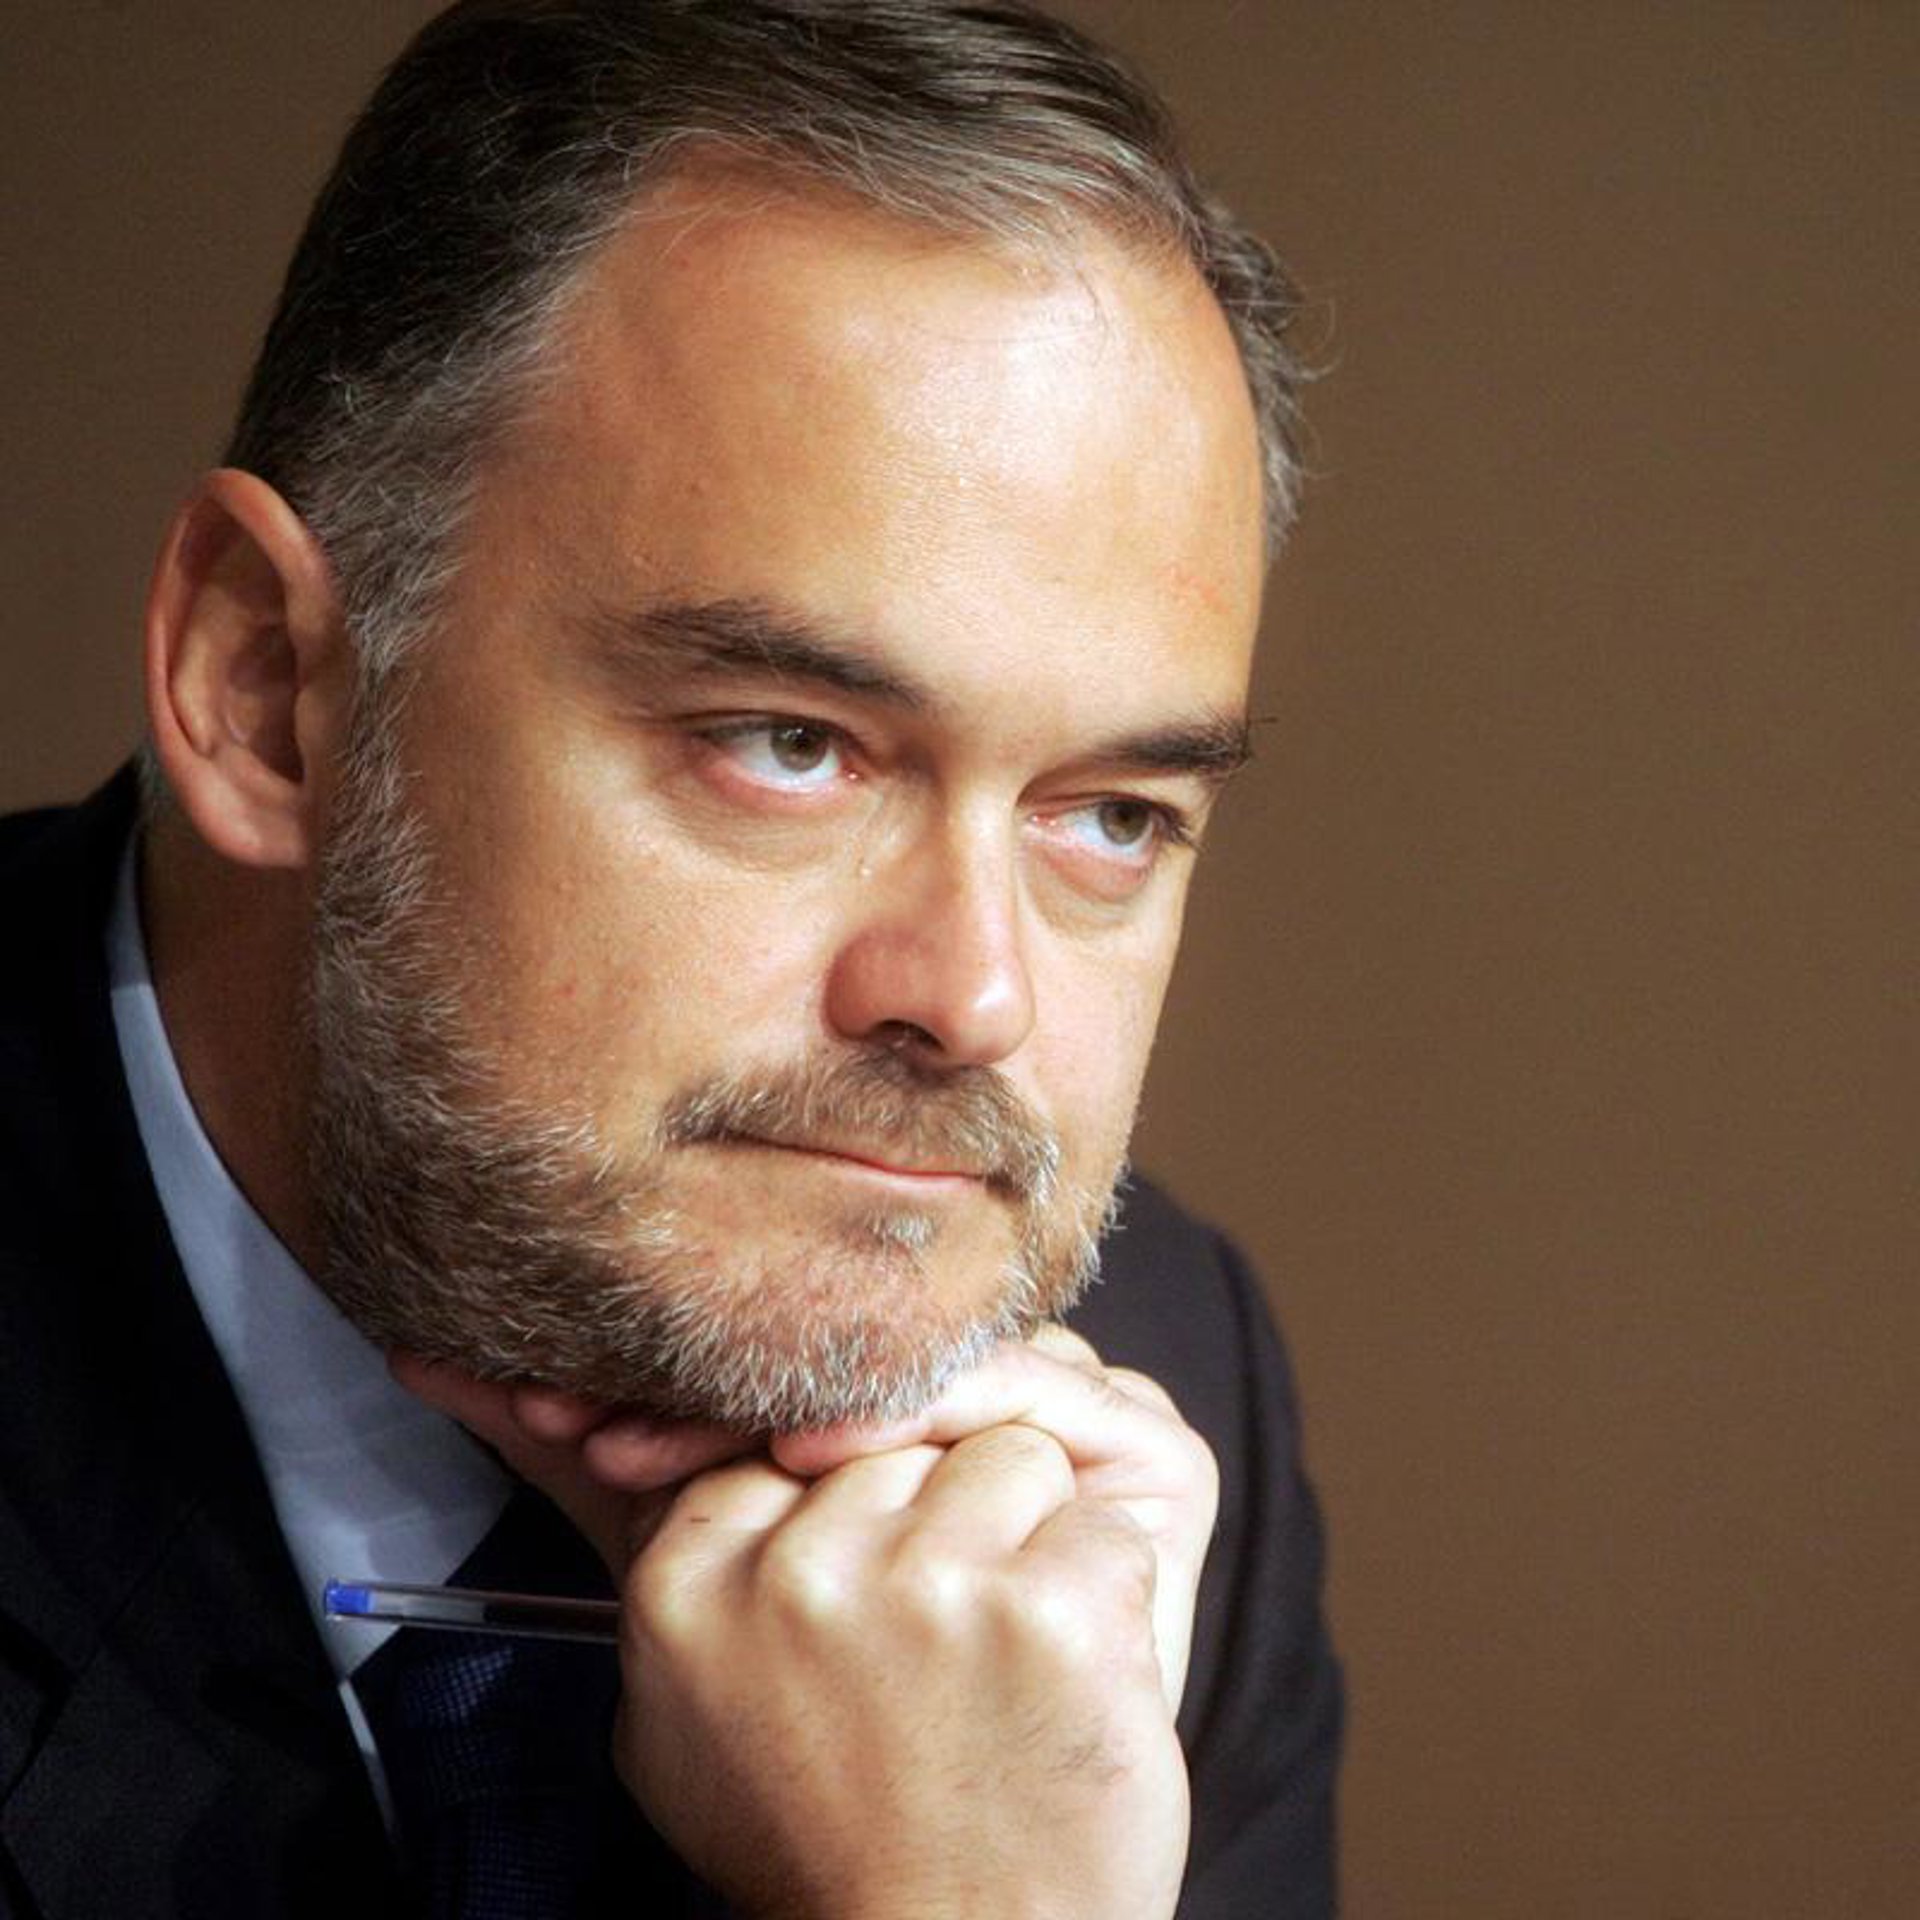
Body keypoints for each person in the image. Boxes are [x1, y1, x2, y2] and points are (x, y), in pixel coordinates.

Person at [0, 3, 1340, 1915]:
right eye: (790, 745)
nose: (973, 998)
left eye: (1113, 816)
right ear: (266, 691)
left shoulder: (1139, 1437)